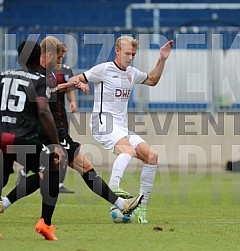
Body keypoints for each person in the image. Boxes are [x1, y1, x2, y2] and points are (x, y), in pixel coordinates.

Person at [0, 36, 143, 238]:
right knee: (52, 175)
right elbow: (52, 91)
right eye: (60, 59)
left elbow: (66, 82)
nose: (61, 64)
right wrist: (72, 85)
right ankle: (32, 214)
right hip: (52, 134)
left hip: (61, 133)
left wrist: (73, 84)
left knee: (79, 169)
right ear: (50, 55)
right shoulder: (39, 77)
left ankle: (121, 204)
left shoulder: (50, 75)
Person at [69, 35, 174, 223]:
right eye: (127, 53)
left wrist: (162, 60)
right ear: (117, 51)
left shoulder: (131, 73)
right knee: (128, 150)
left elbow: (152, 80)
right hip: (103, 123)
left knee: (152, 156)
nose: (130, 57)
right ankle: (114, 187)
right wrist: (79, 82)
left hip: (121, 128)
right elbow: (75, 77)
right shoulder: (103, 69)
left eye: (133, 54)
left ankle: (141, 208)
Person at [0, 40, 65, 241]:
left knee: (0, 179)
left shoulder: (2, 76)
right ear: (37, 57)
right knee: (52, 169)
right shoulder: (39, 80)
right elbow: (43, 111)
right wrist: (56, 143)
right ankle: (46, 223)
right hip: (24, 139)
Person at [53, 44, 77, 193]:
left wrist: (72, 102)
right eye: (59, 56)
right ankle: (25, 173)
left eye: (62, 56)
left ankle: (59, 184)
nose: (61, 59)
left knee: (62, 148)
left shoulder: (67, 70)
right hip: (46, 115)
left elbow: (69, 89)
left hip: (60, 114)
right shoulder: (44, 72)